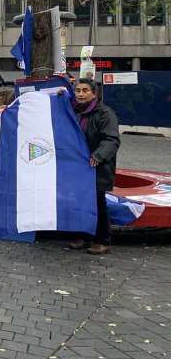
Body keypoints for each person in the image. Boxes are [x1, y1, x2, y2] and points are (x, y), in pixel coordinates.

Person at [67, 78, 121, 255]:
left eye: (84, 90)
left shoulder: (105, 113)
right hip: (79, 167)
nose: (80, 94)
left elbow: (111, 139)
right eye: (77, 91)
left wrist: (98, 156)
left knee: (98, 203)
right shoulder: (75, 110)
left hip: (97, 166)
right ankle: (83, 237)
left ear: (94, 93)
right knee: (79, 202)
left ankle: (103, 240)